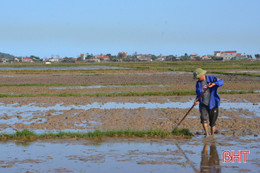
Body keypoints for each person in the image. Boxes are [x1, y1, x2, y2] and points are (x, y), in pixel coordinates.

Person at [193, 68, 224, 136]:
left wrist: (214, 84)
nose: (197, 79)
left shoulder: (211, 79)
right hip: (203, 104)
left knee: (212, 122)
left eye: (198, 77)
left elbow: (221, 82)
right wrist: (196, 100)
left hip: (213, 104)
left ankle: (212, 136)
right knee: (203, 119)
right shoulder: (198, 83)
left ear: (202, 75)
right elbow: (198, 94)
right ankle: (207, 134)